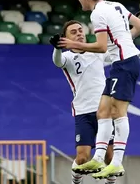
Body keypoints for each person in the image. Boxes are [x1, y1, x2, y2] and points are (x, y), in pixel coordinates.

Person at [58, 0, 140, 179]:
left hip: (124, 63)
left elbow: (101, 47)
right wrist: (123, 36)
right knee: (104, 110)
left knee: (118, 112)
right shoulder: (115, 5)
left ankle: (116, 163)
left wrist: (78, 46)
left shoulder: (97, 14)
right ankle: (98, 158)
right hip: (123, 62)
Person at [51, 20, 117, 184]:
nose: (79, 33)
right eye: (73, 32)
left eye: (80, 30)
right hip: (83, 112)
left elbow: (117, 50)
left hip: (104, 111)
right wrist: (57, 48)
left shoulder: (97, 51)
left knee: (110, 156)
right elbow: (57, 61)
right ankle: (76, 180)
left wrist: (128, 31)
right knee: (82, 158)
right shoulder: (67, 56)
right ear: (65, 39)